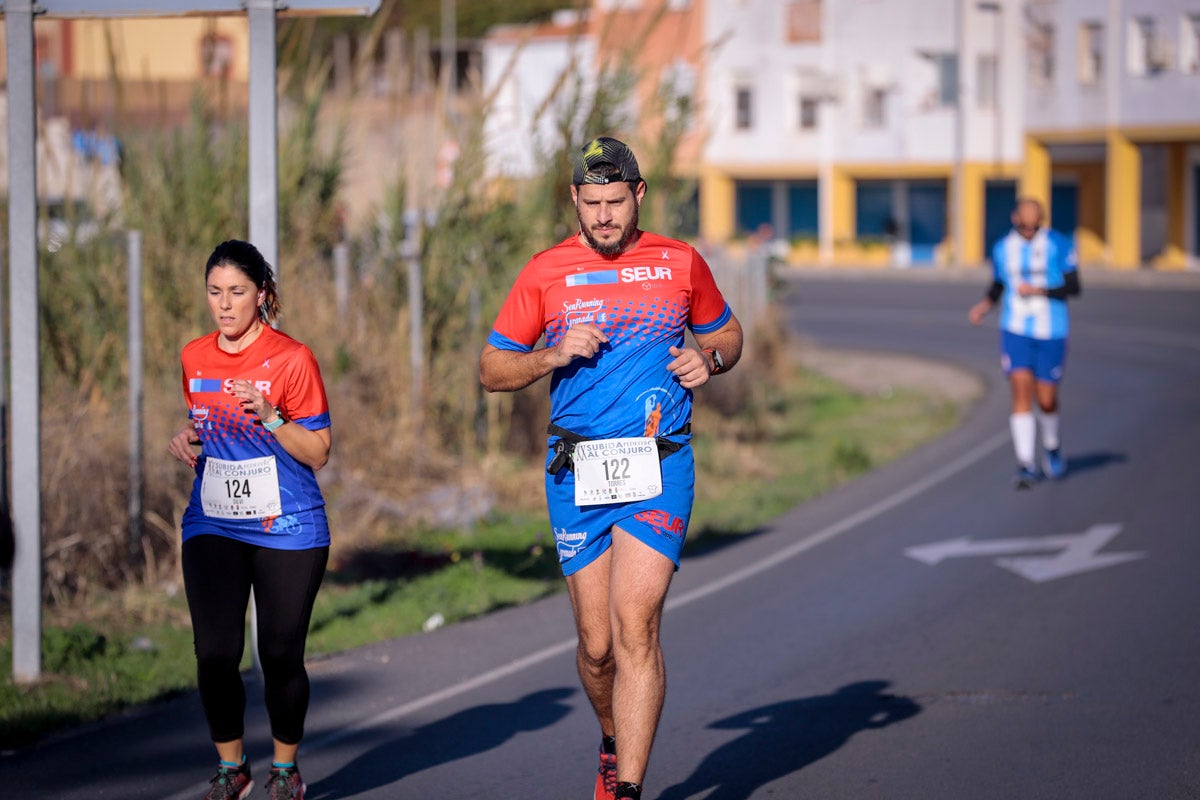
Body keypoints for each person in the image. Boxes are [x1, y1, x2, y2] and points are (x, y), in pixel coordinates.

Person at [479, 137, 743, 800]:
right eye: (591, 203)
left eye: (615, 202)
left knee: (636, 625)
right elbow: (492, 369)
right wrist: (550, 354)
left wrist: (707, 362)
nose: (603, 217)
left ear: (639, 196)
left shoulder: (680, 263)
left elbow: (728, 334)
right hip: (576, 469)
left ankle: (627, 789)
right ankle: (611, 739)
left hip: (659, 461)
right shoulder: (545, 273)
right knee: (597, 648)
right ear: (574, 199)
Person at [168, 240, 332, 800]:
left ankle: (284, 771)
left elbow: (318, 451)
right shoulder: (194, 356)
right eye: (215, 292)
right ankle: (231, 767)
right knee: (215, 653)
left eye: (237, 292)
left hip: (287, 524)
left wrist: (271, 415)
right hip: (213, 519)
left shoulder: (292, 359)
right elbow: (205, 423)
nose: (225, 304)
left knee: (280, 653)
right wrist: (188, 437)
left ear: (261, 294)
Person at [969, 197, 1080, 489]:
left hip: (1052, 328)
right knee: (1020, 390)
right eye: (1025, 226)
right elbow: (999, 283)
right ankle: (1026, 463)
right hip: (1015, 328)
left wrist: (1040, 289)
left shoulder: (1058, 243)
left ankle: (1052, 445)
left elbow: (1074, 286)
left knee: (1046, 398)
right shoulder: (1002, 248)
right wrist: (984, 305)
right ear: (1015, 219)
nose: (1030, 231)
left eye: (1035, 226)